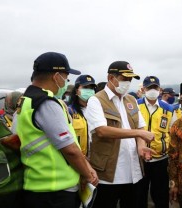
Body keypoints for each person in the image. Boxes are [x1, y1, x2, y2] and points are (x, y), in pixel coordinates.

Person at [14, 52, 98, 208]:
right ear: (56, 76)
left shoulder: (25, 100)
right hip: (56, 190)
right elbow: (70, 149)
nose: (66, 81)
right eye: (66, 77)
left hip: (37, 185)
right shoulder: (46, 102)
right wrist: (87, 173)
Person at [85, 61, 155, 208]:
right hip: (109, 175)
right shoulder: (96, 100)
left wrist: (141, 147)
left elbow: (140, 125)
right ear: (111, 78)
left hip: (134, 172)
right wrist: (138, 132)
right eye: (125, 79)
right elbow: (102, 130)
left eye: (130, 80)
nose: (128, 83)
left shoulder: (131, 100)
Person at [136, 76, 174, 208]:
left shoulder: (168, 108)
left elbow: (171, 131)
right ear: (143, 89)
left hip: (161, 159)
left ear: (160, 89)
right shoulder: (135, 105)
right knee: (139, 194)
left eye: (155, 87)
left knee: (161, 194)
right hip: (139, 159)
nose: (152, 90)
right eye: (149, 88)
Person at [68, 74, 97, 156]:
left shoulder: (98, 111)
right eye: (85, 88)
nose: (89, 91)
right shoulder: (69, 111)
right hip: (77, 158)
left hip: (96, 158)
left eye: (91, 88)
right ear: (77, 91)